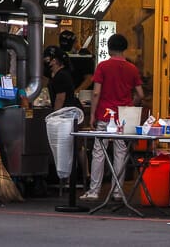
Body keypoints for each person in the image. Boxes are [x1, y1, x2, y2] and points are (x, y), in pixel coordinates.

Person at [81, 33, 144, 201]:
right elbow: (140, 94)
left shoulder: (103, 66)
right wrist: (130, 105)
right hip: (123, 116)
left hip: (105, 114)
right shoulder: (132, 69)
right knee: (120, 152)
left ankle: (94, 191)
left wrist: (93, 115)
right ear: (125, 49)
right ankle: (117, 192)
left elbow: (96, 93)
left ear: (109, 49)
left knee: (99, 152)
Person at [43, 46, 82, 111]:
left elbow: (60, 98)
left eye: (46, 59)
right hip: (67, 112)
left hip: (66, 113)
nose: (44, 61)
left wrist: (55, 114)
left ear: (54, 61)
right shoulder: (59, 74)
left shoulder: (61, 75)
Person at [59, 30, 94, 95]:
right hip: (63, 94)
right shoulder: (60, 56)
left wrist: (76, 92)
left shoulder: (85, 56)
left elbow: (89, 79)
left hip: (82, 96)